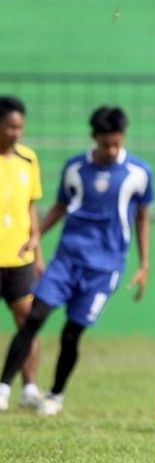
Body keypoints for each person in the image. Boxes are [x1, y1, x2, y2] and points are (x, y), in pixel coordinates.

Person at [0, 106, 153, 416]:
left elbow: (142, 217)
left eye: (116, 143)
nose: (111, 150)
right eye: (105, 143)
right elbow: (59, 205)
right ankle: (3, 387)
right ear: (94, 138)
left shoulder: (139, 173)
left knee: (72, 333)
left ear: (122, 138)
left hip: (105, 268)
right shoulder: (75, 168)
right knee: (34, 317)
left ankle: (55, 395)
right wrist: (36, 235)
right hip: (67, 260)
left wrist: (143, 264)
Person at [0, 96, 43, 411]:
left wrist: (37, 251)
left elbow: (31, 207)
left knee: (28, 322)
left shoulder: (28, 159)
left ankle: (29, 388)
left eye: (19, 127)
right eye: (9, 126)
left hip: (20, 259)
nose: (16, 132)